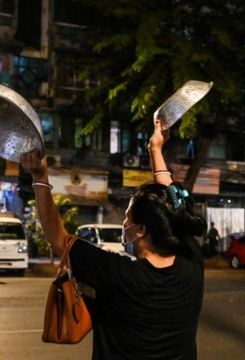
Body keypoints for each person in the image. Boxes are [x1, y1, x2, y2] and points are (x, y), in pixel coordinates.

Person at [20, 118, 206, 359]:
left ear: (141, 230)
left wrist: (39, 176)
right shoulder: (191, 263)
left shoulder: (116, 273)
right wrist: (156, 150)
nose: (123, 224)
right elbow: (176, 206)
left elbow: (58, 237)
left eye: (127, 218)